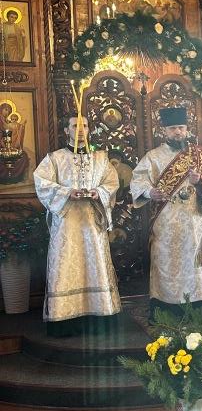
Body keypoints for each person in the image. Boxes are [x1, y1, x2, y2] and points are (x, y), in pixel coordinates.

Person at [34, 115, 121, 335]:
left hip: (92, 223)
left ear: (89, 129)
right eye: (75, 126)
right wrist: (66, 193)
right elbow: (41, 183)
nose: (80, 129)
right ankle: (64, 320)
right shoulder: (55, 159)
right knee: (65, 266)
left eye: (84, 125)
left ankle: (99, 317)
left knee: (95, 265)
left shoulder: (101, 158)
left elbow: (112, 183)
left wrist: (98, 192)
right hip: (66, 225)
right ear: (67, 130)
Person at [130, 106, 202, 312]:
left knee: (198, 262)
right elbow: (137, 181)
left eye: (181, 127)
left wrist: (201, 181)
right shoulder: (153, 157)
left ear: (187, 128)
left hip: (197, 221)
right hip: (167, 223)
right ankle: (169, 307)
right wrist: (150, 192)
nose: (178, 132)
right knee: (169, 262)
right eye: (172, 128)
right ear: (164, 131)